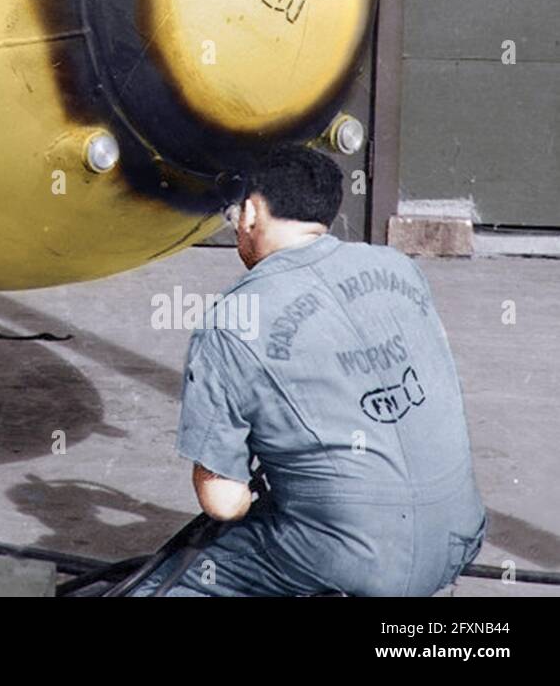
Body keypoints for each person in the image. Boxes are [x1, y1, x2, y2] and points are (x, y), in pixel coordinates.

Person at [132, 145, 486, 596]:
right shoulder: (398, 268)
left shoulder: (232, 321)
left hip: (352, 562)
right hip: (459, 540)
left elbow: (223, 502)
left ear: (251, 213)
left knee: (165, 587)